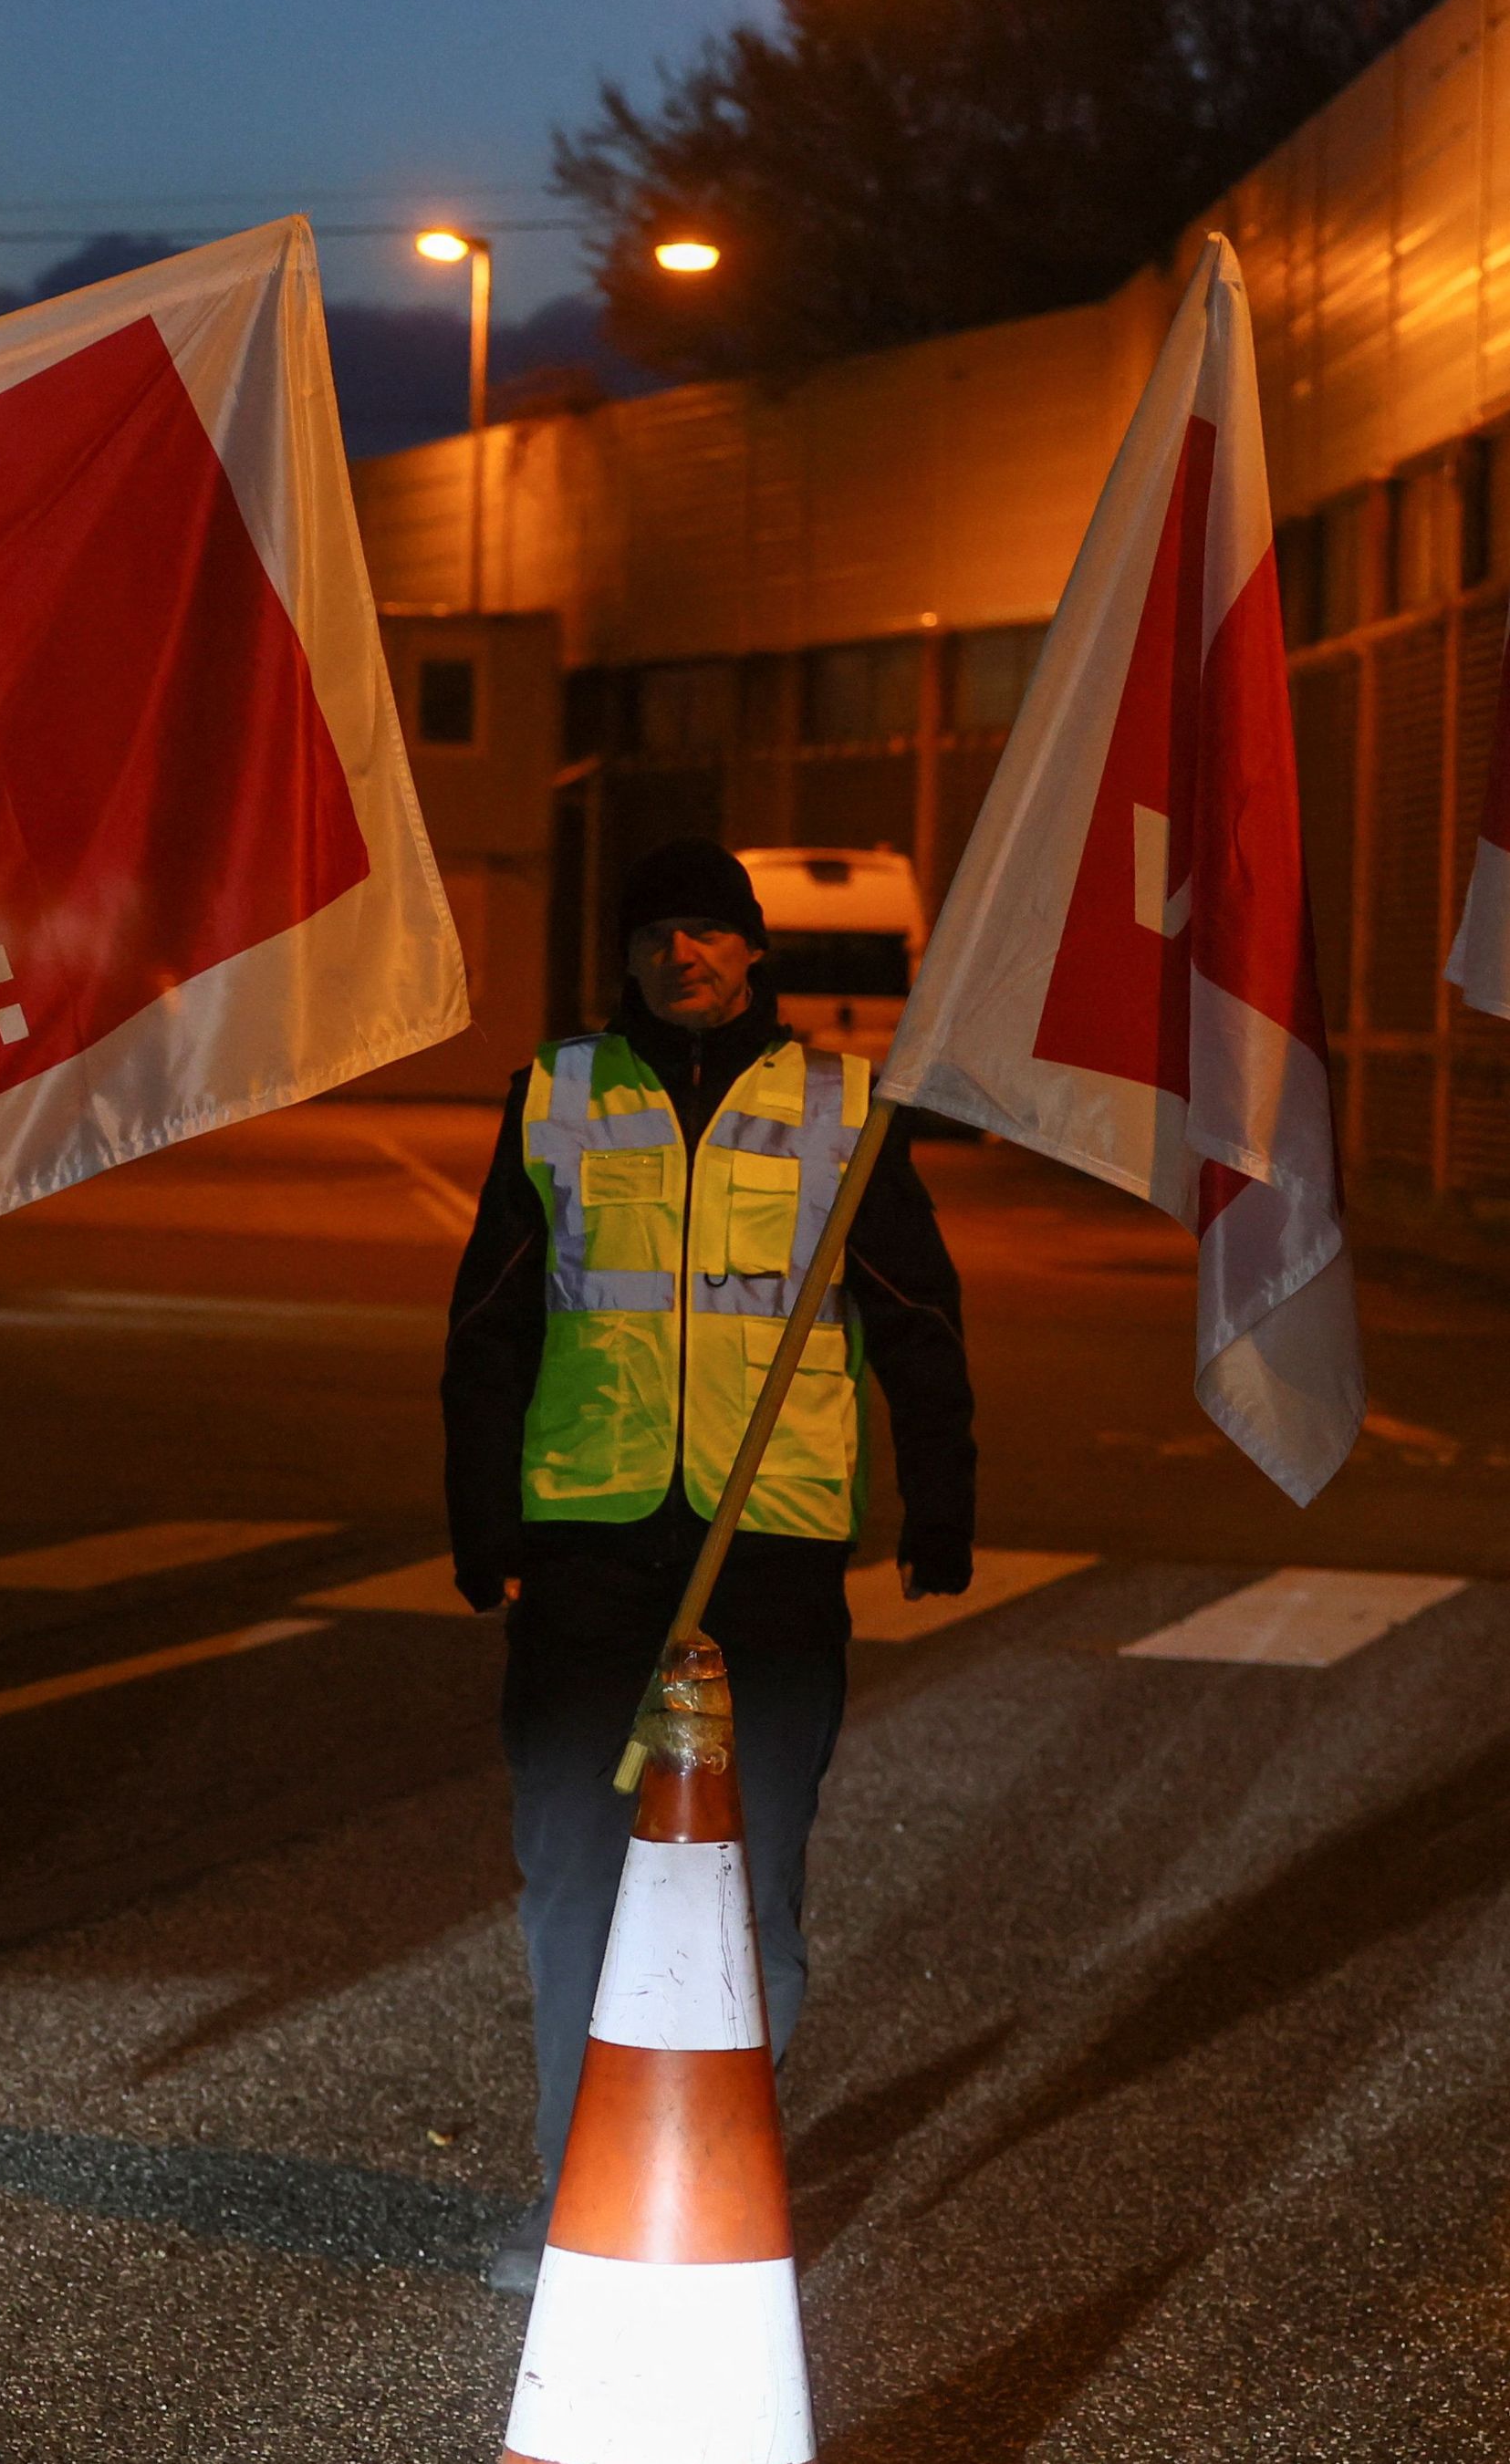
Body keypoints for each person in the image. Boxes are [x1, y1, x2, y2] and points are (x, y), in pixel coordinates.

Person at [441, 837, 979, 2294]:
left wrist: (940, 1506)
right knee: (570, 1875)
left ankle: (705, 2174)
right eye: (655, 930)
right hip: (592, 1553)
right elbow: (490, 1326)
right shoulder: (554, 1097)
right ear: (627, 956)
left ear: (753, 952)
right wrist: (484, 1523)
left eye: (708, 930)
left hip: (771, 1558)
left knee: (756, 1887)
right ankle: (577, 2202)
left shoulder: (841, 1107)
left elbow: (919, 1317)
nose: (682, 953)